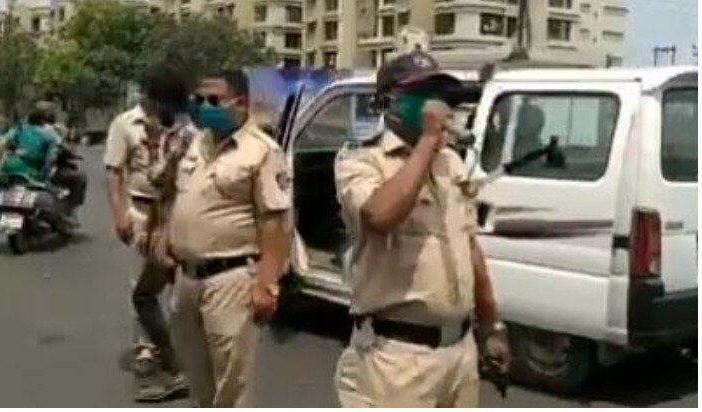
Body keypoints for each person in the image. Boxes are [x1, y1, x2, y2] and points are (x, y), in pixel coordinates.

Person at [333, 51, 511, 407]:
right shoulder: (361, 160)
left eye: (440, 94)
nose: (436, 103)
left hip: (458, 355)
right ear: (390, 101)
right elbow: (380, 216)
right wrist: (428, 142)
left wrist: (492, 326)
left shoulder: (452, 162)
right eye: (423, 93)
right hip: (397, 359)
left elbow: (468, 246)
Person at [154, 69, 292, 407]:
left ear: (240, 104)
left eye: (213, 100)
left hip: (230, 279)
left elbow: (274, 221)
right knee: (195, 372)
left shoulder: (262, 151)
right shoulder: (193, 143)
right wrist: (163, 234)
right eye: (198, 100)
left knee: (231, 382)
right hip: (186, 278)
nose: (203, 107)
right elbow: (173, 192)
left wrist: (266, 283)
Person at [104, 67, 188, 402]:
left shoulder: (183, 129)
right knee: (142, 287)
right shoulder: (125, 124)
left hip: (178, 211)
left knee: (172, 286)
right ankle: (147, 350)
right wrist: (119, 214)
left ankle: (179, 354)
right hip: (141, 211)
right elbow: (114, 171)